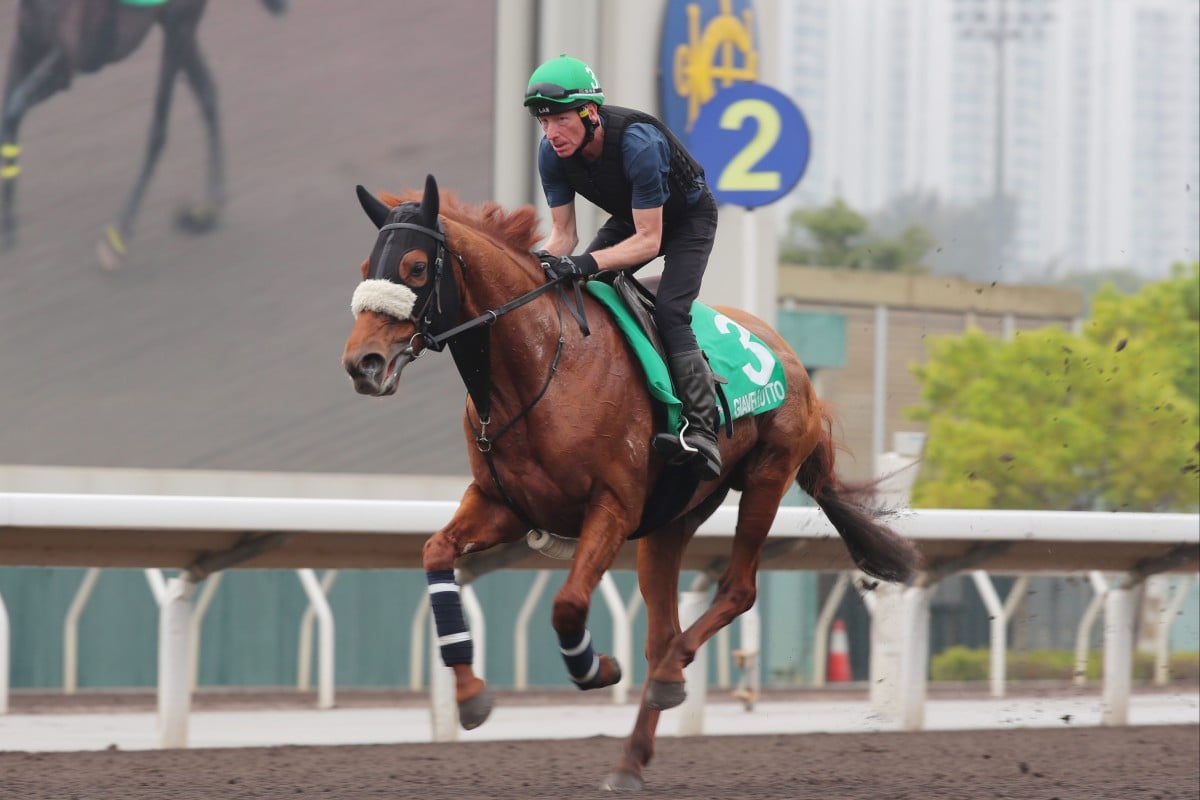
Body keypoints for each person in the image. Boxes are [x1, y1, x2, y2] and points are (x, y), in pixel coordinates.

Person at [525, 54, 723, 481]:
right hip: (635, 219)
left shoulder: (639, 144)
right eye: (543, 122)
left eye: (560, 120)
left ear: (590, 112)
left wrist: (582, 263)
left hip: (687, 220)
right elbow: (564, 238)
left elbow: (649, 240)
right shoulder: (551, 155)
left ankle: (703, 431)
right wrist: (537, 265)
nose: (551, 133)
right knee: (581, 288)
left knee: (671, 311)